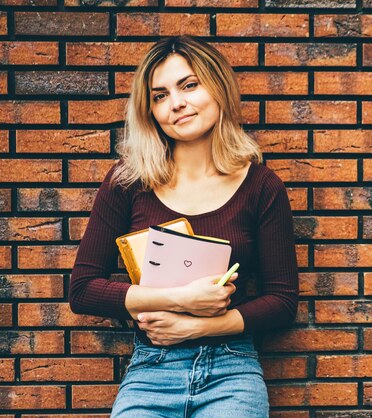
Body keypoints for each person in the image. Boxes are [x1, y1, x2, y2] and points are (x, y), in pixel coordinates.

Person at [69, 35, 299, 418]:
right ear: (151, 112)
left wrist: (199, 327)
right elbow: (83, 290)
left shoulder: (261, 186)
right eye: (160, 96)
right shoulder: (129, 181)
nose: (176, 103)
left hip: (231, 371)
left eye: (189, 85)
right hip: (150, 373)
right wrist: (180, 300)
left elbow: (282, 300)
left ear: (218, 88)